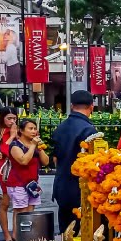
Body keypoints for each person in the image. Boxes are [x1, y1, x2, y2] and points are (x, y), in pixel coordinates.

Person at [52, 90, 97, 233]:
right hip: (80, 189)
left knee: (67, 232)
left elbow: (55, 158)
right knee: (82, 234)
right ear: (92, 107)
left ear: (71, 106)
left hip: (61, 186)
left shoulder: (61, 127)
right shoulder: (88, 130)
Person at [7, 119, 49, 241]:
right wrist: (33, 146)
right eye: (30, 128)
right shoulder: (15, 145)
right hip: (18, 183)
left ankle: (28, 237)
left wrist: (40, 148)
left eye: (35, 129)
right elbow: (23, 160)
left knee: (30, 211)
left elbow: (46, 162)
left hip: (32, 184)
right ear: (21, 130)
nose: (33, 131)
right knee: (21, 211)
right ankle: (17, 237)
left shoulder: (35, 146)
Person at [0, 107, 18, 241]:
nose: (12, 121)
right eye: (9, 118)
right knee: (4, 203)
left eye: (14, 118)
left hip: (17, 170)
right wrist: (11, 136)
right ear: (2, 118)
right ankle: (6, 234)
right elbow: (3, 150)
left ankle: (15, 234)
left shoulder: (19, 131)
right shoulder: (0, 132)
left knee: (18, 204)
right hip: (4, 170)